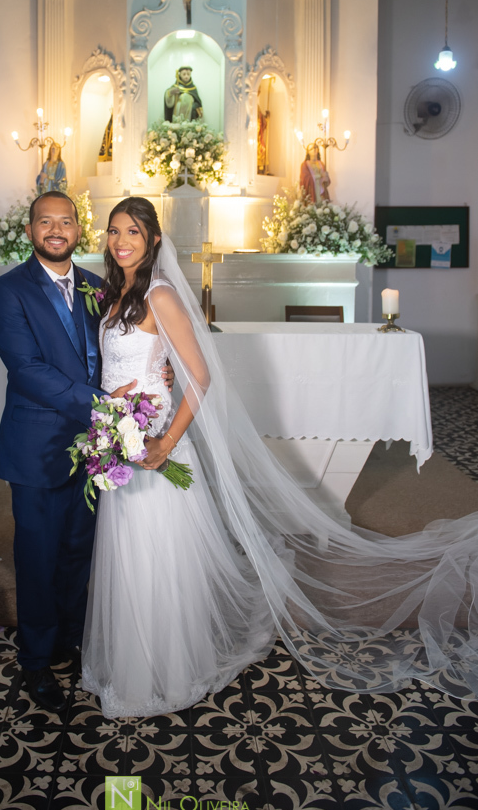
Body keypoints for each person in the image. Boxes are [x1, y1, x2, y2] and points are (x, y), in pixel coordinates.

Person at [82, 196, 478, 719]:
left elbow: (200, 377)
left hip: (153, 448)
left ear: (154, 239)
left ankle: (163, 669)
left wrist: (164, 442)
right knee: (128, 555)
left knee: (157, 559)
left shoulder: (161, 294)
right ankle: (130, 658)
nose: (121, 241)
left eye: (132, 231)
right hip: (119, 446)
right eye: (113, 231)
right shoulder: (117, 292)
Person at [0, 191, 173, 715]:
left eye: (65, 221)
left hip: (97, 450)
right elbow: (25, 370)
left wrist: (163, 372)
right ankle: (37, 661)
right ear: (30, 231)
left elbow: (127, 349)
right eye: (44, 221)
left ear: (77, 229)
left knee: (78, 551)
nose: (55, 229)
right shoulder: (7, 292)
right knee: (39, 557)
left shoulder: (99, 287)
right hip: (39, 447)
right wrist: (102, 405)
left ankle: (71, 640)